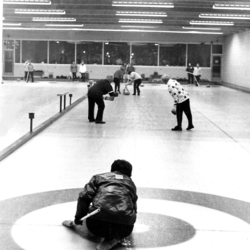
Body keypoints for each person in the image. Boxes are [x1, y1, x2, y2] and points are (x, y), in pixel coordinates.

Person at [62, 159, 138, 250]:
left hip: (96, 226)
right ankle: (115, 238)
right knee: (121, 222)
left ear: (112, 170)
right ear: (130, 174)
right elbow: (134, 208)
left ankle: (109, 235)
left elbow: (84, 197)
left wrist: (78, 218)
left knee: (95, 210)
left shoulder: (98, 177)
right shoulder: (131, 183)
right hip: (124, 229)